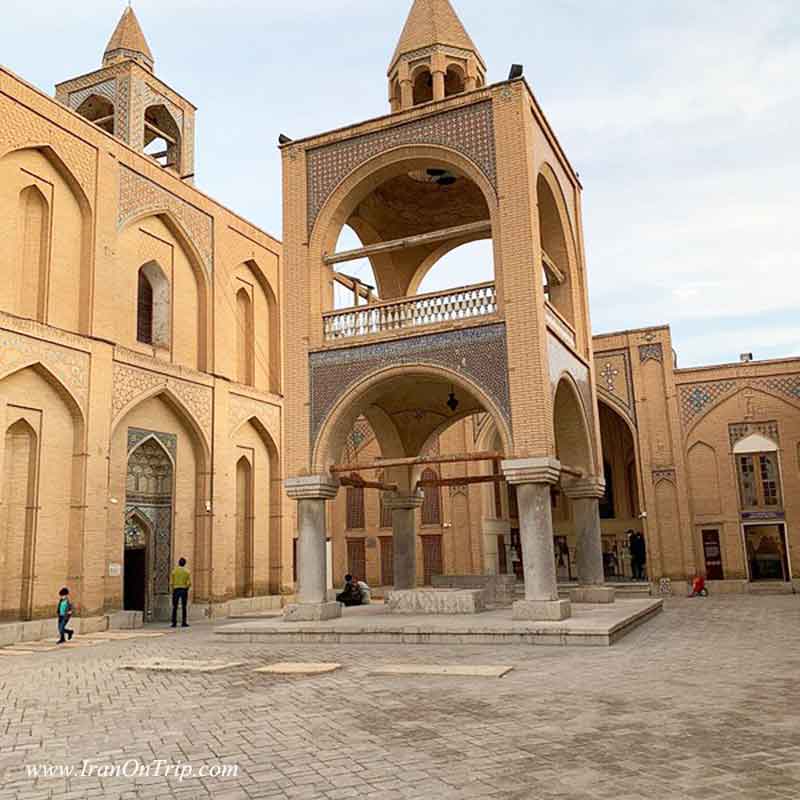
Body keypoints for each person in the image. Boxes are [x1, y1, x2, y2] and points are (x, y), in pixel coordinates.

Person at [170, 557, 191, 628]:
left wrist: (173, 587)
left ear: (178, 563)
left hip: (176, 589)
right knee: (184, 606)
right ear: (185, 564)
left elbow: (171, 582)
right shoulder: (187, 572)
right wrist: (186, 588)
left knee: (175, 607)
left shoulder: (174, 571)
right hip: (183, 590)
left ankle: (174, 622)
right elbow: (188, 583)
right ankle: (184, 622)